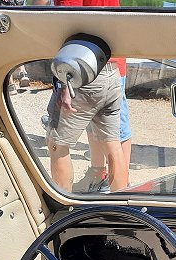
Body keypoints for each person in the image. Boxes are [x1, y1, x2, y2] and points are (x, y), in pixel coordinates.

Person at [55, 0, 132, 192]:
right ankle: (112, 190)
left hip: (83, 65)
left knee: (57, 144)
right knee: (109, 136)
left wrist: (65, 83)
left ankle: (62, 204)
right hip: (111, 63)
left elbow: (68, 21)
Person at [44, 61, 128, 192]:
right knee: (112, 146)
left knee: (57, 146)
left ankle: (63, 204)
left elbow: (73, 45)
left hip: (82, 74)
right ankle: (122, 205)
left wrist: (65, 86)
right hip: (112, 73)